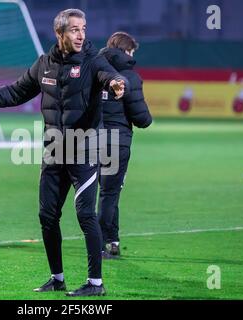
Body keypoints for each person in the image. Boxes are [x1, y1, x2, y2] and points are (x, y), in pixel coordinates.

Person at [0, 9, 127, 297]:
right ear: (60, 34)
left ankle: (96, 284)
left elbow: (111, 76)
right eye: (74, 30)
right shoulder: (44, 64)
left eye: (84, 28)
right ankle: (57, 278)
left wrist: (118, 84)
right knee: (46, 216)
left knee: (84, 215)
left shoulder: (94, 60)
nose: (81, 35)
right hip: (55, 150)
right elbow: (14, 93)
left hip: (85, 149)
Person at [97, 32, 152, 259]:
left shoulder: (93, 71)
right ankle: (99, 246)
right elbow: (142, 119)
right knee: (110, 193)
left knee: (103, 192)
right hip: (116, 142)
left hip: (89, 140)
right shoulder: (129, 76)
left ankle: (112, 240)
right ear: (127, 51)